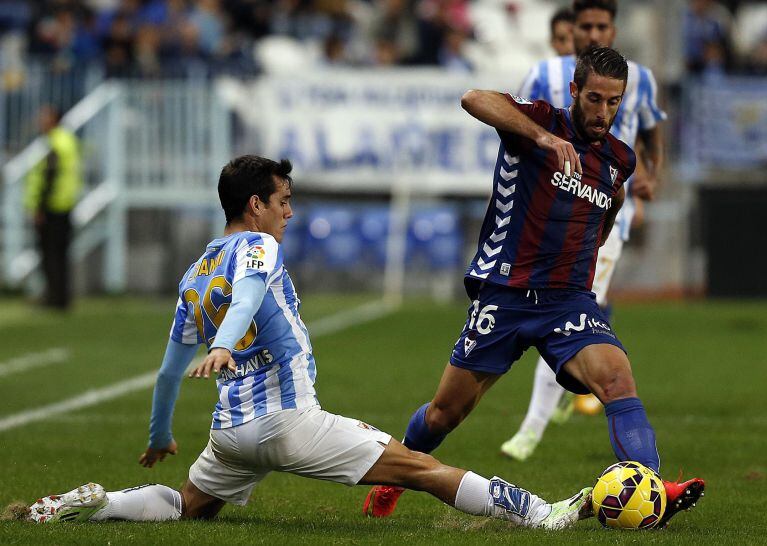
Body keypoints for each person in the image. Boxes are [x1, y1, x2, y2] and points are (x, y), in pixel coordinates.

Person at [19, 155, 591, 530]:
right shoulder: (258, 247)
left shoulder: (191, 275)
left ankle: (100, 504)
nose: (290, 212)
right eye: (284, 200)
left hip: (231, 433)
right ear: (255, 206)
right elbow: (245, 296)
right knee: (419, 467)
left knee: (188, 507)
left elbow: (170, 370)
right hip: (289, 422)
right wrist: (222, 342)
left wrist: (160, 433)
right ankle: (544, 516)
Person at [363, 46, 705, 528]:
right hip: (505, 294)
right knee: (444, 414)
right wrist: (542, 137)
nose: (603, 112)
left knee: (617, 379)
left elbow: (612, 201)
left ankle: (651, 488)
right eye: (594, 99)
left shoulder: (617, 160)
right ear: (573, 92)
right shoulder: (539, 123)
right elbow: (473, 97)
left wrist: (591, 248)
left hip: (567, 302)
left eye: (614, 101)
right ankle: (391, 479)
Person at [501, 0, 667, 462]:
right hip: (546, 213)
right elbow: (513, 122)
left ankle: (535, 427)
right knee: (569, 310)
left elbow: (651, 135)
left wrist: (652, 174)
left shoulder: (642, 78)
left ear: (614, 29)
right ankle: (576, 383)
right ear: (572, 30)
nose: (594, 33)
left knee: (568, 305)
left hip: (604, 210)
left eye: (603, 25)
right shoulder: (542, 75)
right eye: (586, 25)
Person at [24, 105, 82, 310]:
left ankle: (53, 298)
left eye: (44, 115)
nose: (40, 119)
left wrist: (39, 206)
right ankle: (61, 297)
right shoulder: (69, 141)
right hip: (66, 204)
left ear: (54, 119)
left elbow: (49, 176)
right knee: (61, 254)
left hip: (52, 206)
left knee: (50, 254)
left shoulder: (54, 143)